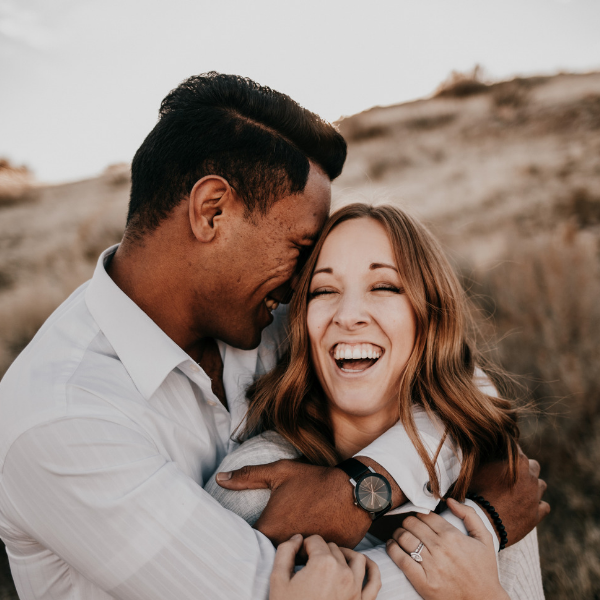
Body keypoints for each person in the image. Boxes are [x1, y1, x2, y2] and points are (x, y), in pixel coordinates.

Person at [0, 73, 547, 600]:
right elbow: (270, 591)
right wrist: (484, 525)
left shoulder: (264, 316)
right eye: (301, 248)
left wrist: (368, 482)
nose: (303, 286)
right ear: (212, 212)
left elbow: (451, 372)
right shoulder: (57, 417)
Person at [206, 204, 547, 599]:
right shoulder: (253, 484)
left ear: (430, 317)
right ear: (302, 323)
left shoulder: (491, 477)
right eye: (324, 290)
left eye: (383, 286)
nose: (348, 316)